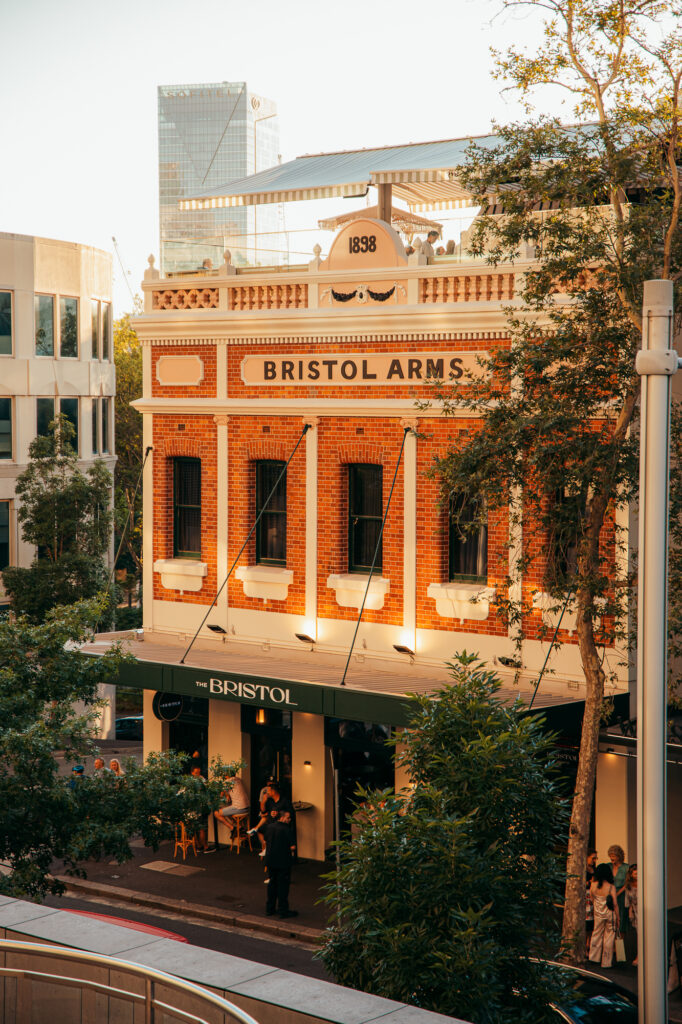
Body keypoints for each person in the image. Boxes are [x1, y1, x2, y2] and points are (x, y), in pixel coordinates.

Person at [263, 810, 297, 919]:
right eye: (288, 817)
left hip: (271, 860)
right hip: (283, 861)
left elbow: (265, 840)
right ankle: (283, 910)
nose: (289, 819)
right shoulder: (287, 829)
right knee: (283, 886)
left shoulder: (269, 827)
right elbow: (292, 847)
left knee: (272, 884)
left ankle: (270, 909)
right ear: (282, 818)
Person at [249, 780, 293, 856]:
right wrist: (263, 802)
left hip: (280, 825)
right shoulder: (270, 801)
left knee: (270, 830)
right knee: (260, 830)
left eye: (268, 791)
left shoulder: (284, 801)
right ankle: (266, 847)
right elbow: (263, 812)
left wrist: (278, 814)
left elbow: (289, 814)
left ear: (273, 791)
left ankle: (269, 849)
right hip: (271, 823)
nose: (267, 792)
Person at [589, 862, 619, 967]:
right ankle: (606, 962)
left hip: (598, 914)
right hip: (610, 914)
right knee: (609, 937)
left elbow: (592, 899)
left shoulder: (593, 885)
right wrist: (618, 918)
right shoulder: (611, 887)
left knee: (596, 934)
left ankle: (593, 958)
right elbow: (615, 904)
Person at [608, 844, 628, 935]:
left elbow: (627, 883)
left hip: (621, 896)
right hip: (609, 896)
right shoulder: (608, 866)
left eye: (614, 856)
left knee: (621, 919)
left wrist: (618, 893)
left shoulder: (626, 868)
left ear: (619, 856)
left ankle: (620, 944)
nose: (611, 858)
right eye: (610, 855)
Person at [624, 863, 638, 965]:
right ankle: (639, 956)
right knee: (639, 935)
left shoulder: (644, 884)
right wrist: (630, 912)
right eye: (634, 872)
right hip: (635, 911)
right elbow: (627, 901)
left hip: (645, 911)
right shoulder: (629, 886)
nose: (636, 874)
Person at [585, 848, 598, 954]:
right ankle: (584, 944)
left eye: (595, 858)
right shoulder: (582, 868)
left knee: (592, 921)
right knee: (585, 921)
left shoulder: (594, 869)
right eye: (593, 858)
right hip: (585, 897)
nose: (594, 860)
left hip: (593, 896)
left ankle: (589, 943)